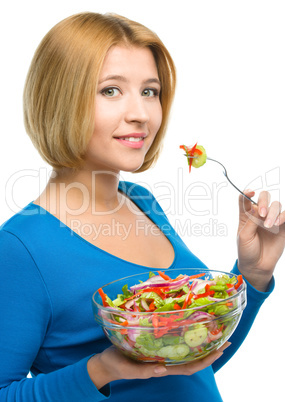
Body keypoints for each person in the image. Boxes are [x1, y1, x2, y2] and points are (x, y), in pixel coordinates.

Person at [0, 11, 284, 402]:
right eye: (111, 90)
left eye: (150, 91)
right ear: (59, 99)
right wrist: (100, 370)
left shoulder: (142, 202)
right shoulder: (20, 247)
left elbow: (191, 363)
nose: (140, 114)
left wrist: (252, 274)